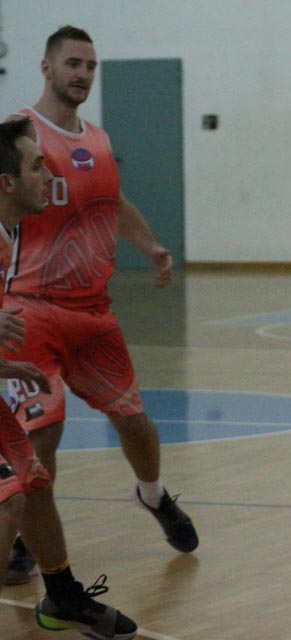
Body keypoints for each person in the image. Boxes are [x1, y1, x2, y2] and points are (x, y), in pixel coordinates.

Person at [3, 25, 198, 586]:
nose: (83, 74)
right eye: (72, 63)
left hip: (92, 313)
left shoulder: (98, 138)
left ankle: (153, 495)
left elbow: (112, 202)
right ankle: (27, 543)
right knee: (42, 436)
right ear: (46, 68)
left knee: (135, 422)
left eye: (90, 65)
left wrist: (150, 245)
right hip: (29, 308)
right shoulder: (19, 134)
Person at [0, 116, 138, 639]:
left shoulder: (9, 239)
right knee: (9, 499)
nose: (50, 176)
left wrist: (6, 365)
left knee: (30, 478)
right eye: (38, 166)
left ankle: (61, 595)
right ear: (7, 182)